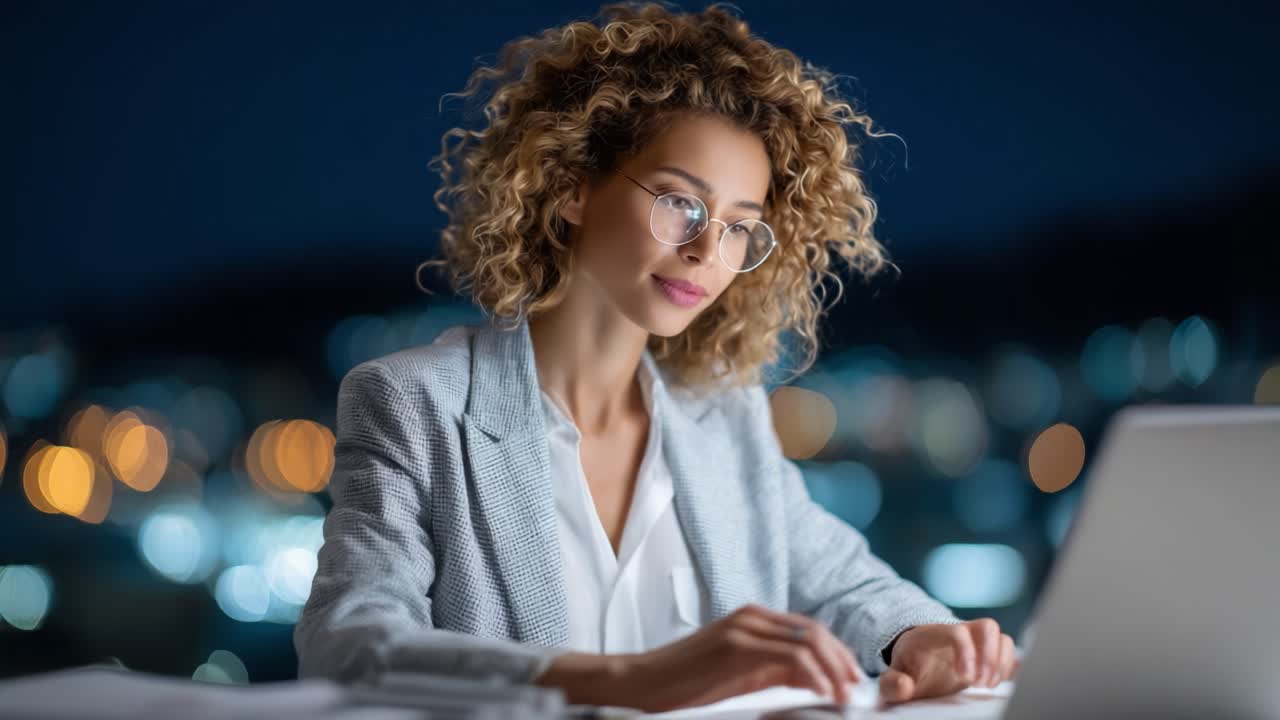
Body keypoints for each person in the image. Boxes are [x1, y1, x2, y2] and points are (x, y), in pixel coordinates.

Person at [294, 2, 1018, 711]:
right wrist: (626, 680)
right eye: (680, 203)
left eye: (741, 228)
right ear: (573, 184)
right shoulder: (415, 401)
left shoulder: (723, 417)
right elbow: (353, 642)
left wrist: (925, 637)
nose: (708, 251)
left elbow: (844, 582)